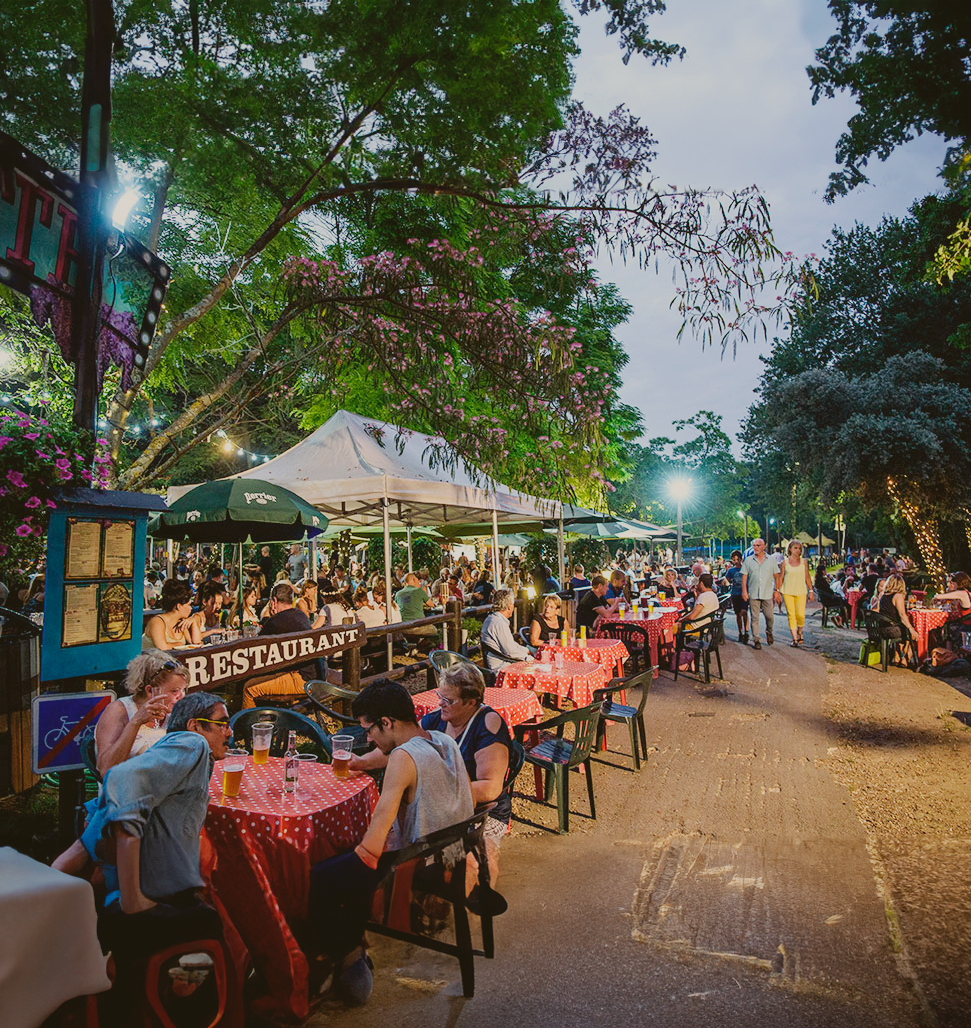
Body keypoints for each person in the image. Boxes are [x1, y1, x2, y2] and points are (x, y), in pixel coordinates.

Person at [308, 680, 473, 1006]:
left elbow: (379, 827)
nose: (367, 739)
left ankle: (347, 967)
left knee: (320, 876)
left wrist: (357, 864)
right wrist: (362, 763)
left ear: (388, 722)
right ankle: (352, 952)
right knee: (345, 863)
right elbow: (398, 759)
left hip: (419, 867)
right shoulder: (442, 739)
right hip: (453, 855)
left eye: (370, 730)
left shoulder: (402, 757)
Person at [241, 582, 316, 707]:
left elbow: (256, 648)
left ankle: (247, 726)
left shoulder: (276, 621)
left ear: (274, 601)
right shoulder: (300, 615)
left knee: (249, 688)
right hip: (313, 674)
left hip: (303, 679)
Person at [142, 579, 203, 651]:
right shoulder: (157, 622)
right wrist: (179, 644)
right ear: (179, 606)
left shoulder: (181, 622)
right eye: (189, 605)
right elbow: (162, 647)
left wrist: (193, 623)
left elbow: (196, 644)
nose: (191, 608)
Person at [480, 588, 533, 670]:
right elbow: (510, 651)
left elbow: (510, 645)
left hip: (499, 661)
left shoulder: (491, 618)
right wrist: (528, 657)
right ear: (509, 606)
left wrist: (526, 650)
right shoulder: (499, 623)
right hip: (500, 665)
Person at [775, 540, 814, 647]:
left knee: (800, 615)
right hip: (787, 590)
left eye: (799, 548)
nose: (797, 550)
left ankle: (800, 631)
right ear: (790, 549)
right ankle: (795, 638)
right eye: (795, 548)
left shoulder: (804, 562)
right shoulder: (785, 562)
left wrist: (811, 591)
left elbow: (807, 577)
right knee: (791, 615)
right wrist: (777, 591)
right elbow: (780, 577)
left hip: (801, 591)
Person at [741, 538, 777, 649]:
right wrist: (744, 591)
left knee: (769, 617)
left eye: (758, 545)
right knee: (754, 618)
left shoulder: (771, 560)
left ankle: (769, 632)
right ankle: (756, 640)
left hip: (767, 593)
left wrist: (777, 590)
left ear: (764, 546)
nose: (755, 548)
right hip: (753, 593)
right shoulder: (748, 560)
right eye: (754, 545)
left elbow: (777, 576)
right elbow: (744, 576)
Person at [878, 574, 919, 659]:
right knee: (913, 632)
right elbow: (902, 615)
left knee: (903, 628)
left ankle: (897, 656)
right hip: (891, 630)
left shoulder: (883, 595)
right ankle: (905, 657)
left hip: (880, 629)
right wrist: (911, 629)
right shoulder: (897, 596)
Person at [721, 550, 749, 643]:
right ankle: (740, 632)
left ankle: (747, 631)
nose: (736, 561)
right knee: (738, 614)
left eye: (737, 559)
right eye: (734, 559)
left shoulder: (746, 568)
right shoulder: (731, 570)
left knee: (744, 612)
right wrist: (725, 582)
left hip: (744, 593)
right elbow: (727, 579)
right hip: (735, 593)